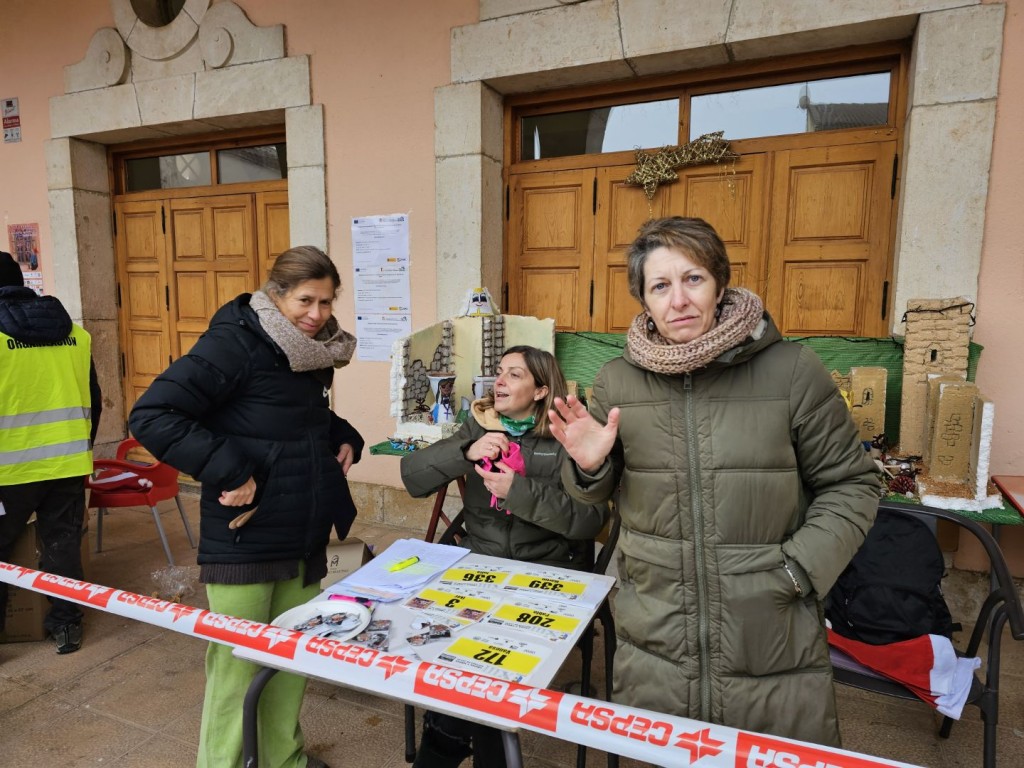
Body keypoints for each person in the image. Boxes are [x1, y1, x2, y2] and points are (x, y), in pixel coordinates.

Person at [548, 217, 880, 747]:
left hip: (768, 623)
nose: (678, 300)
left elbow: (852, 485)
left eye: (693, 279)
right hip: (657, 621)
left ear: (720, 284)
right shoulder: (616, 381)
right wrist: (590, 468)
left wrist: (796, 571)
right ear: (644, 300)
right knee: (669, 754)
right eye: (660, 286)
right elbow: (596, 497)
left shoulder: (792, 371)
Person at [129, 245, 363, 768]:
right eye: (305, 301)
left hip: (301, 530)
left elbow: (290, 415)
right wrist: (232, 470)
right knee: (239, 667)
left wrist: (343, 434)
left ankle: (284, 760)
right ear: (276, 294)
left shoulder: (308, 350)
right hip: (245, 532)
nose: (317, 314)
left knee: (290, 659)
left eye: (327, 302)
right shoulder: (234, 342)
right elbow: (153, 414)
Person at [401, 345, 608, 768]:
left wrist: (518, 492)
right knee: (457, 663)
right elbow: (412, 478)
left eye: (514, 374)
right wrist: (464, 451)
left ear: (541, 390)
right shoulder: (478, 425)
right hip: (481, 566)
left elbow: (589, 521)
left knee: (478, 672)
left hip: (547, 571)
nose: (498, 381)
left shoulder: (564, 436)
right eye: (499, 371)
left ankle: (444, 748)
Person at [0, 251, 103, 654]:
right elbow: (94, 400)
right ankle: (67, 625)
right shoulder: (75, 333)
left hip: (8, 472)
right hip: (67, 463)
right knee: (62, 546)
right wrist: (83, 447)